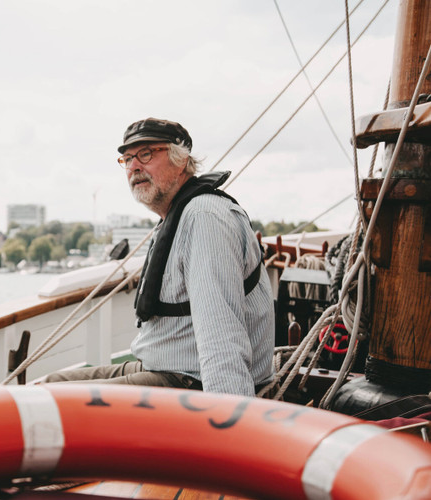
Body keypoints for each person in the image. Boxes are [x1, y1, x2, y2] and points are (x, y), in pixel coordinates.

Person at [43, 117, 274, 396]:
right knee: (52, 384)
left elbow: (221, 336)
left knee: (55, 400)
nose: (134, 167)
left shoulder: (204, 219)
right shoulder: (175, 216)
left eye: (146, 154)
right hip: (160, 366)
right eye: (127, 159)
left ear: (180, 160)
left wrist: (231, 422)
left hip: (189, 381)